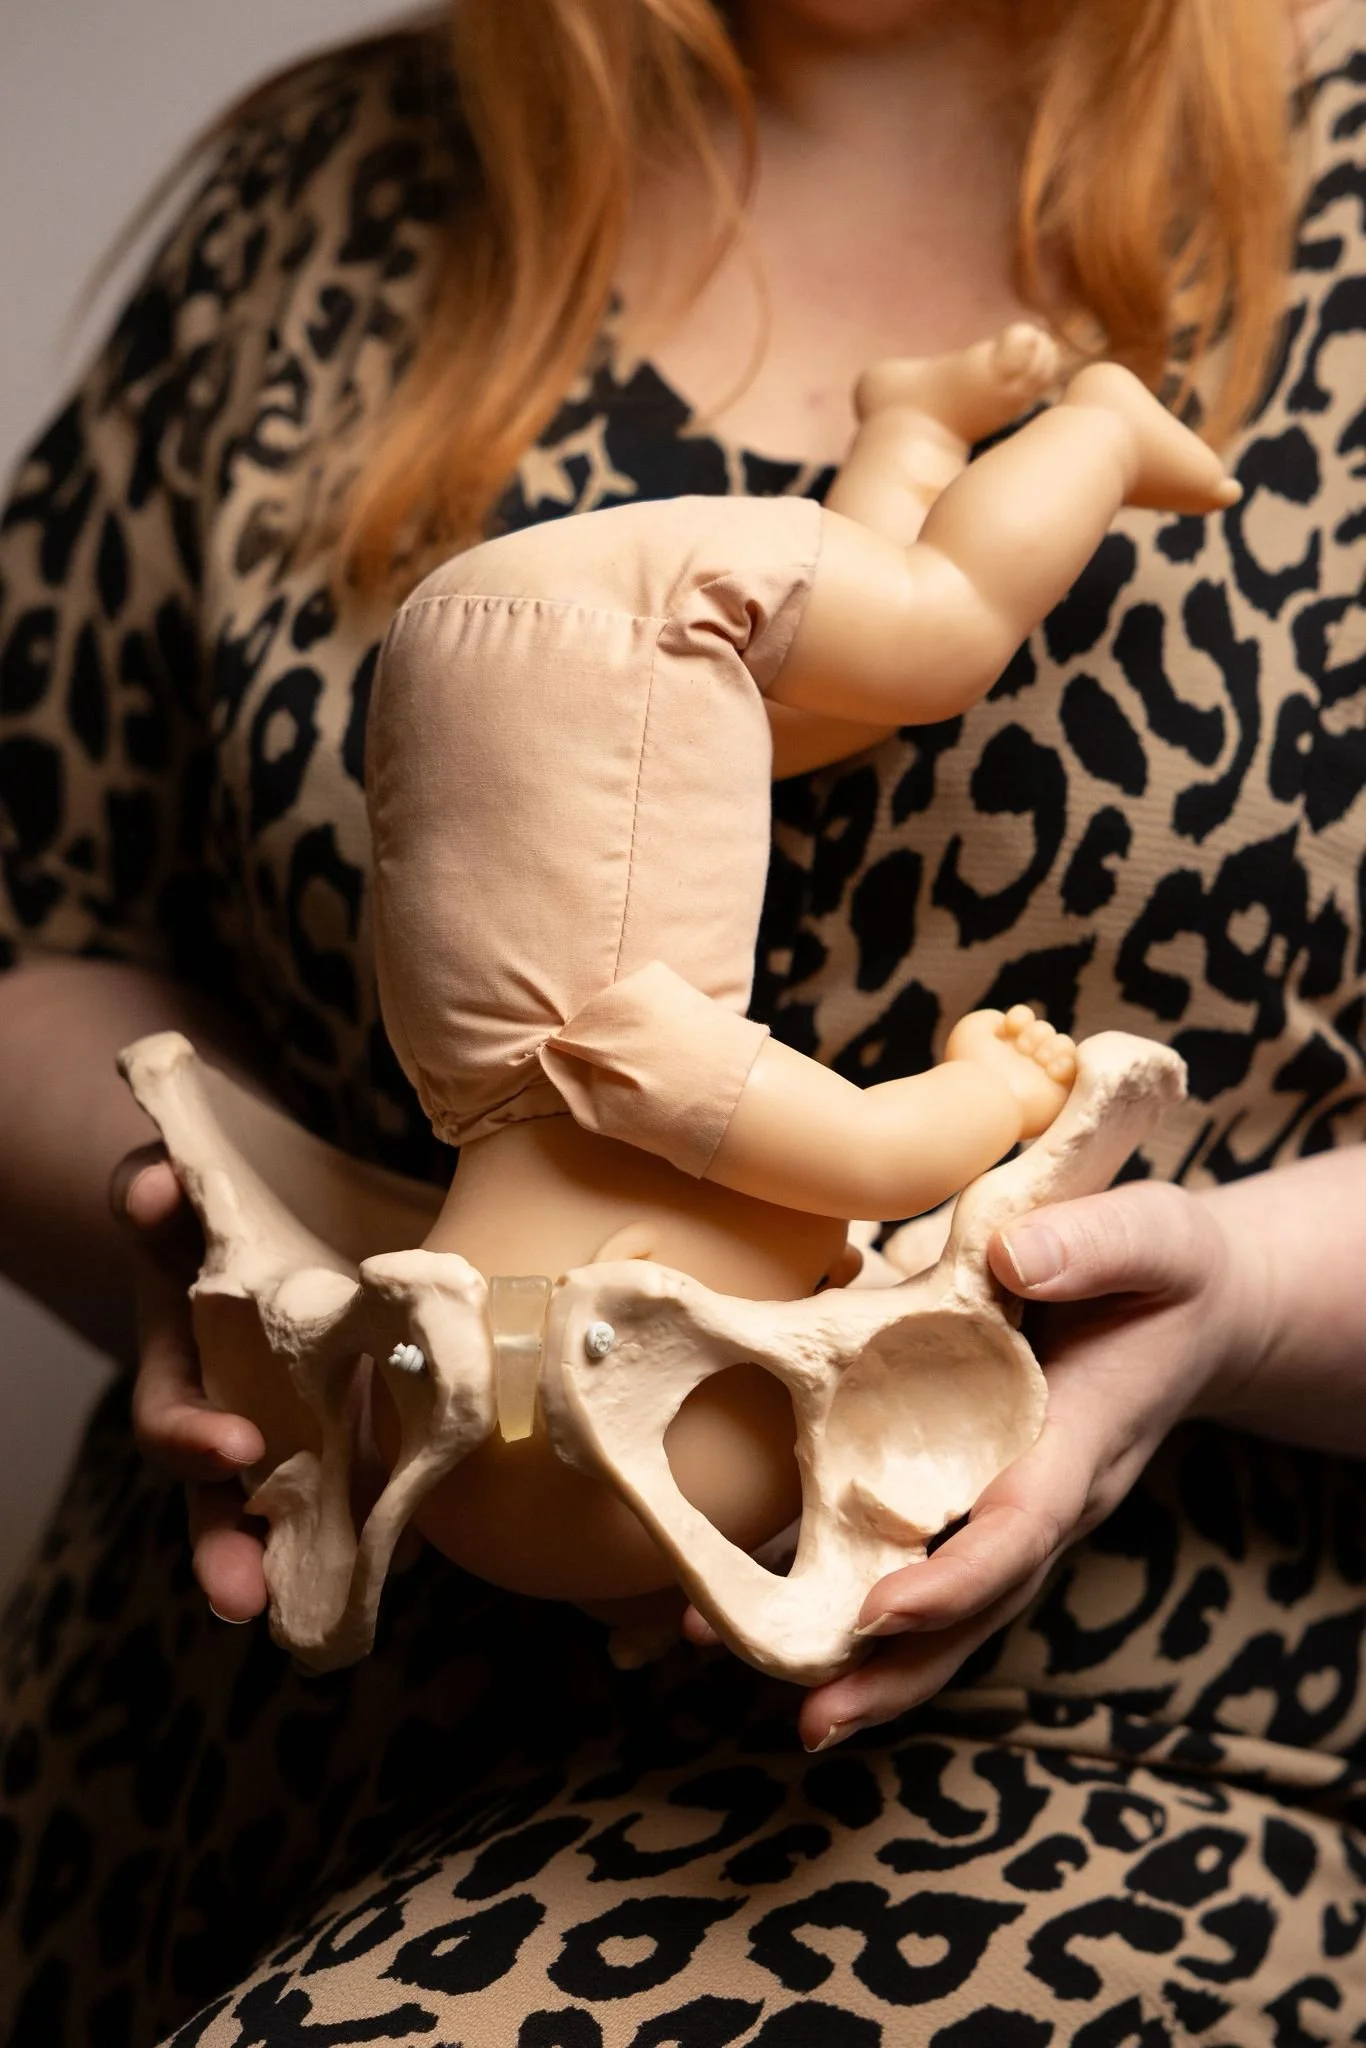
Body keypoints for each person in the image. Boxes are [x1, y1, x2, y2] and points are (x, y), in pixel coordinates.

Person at [0, 0, 1361, 2041]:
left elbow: (853, 1140)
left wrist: (1231, 1288)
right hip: (281, 1716)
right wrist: (217, 1253)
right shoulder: (323, 201)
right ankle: (967, 436)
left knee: (908, 631)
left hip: (1110, 1726)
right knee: (885, 630)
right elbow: (44, 909)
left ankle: (1074, 439)